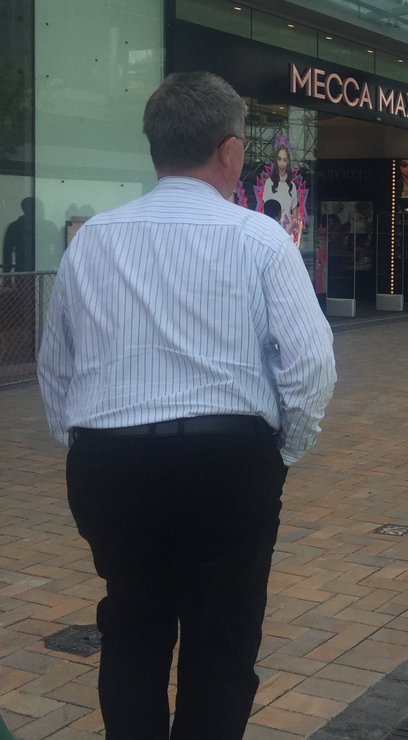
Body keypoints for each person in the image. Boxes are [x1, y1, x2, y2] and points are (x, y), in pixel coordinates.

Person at [37, 71, 337, 736]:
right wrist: (282, 447)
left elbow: (56, 364)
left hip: (110, 463)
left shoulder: (92, 240)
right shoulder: (260, 239)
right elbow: (311, 363)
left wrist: (85, 438)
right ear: (230, 152)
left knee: (133, 630)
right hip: (227, 459)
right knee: (223, 642)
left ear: (156, 147)